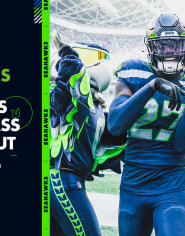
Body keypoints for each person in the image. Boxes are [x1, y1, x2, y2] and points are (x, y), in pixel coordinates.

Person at [107, 13, 185, 236]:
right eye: (163, 46)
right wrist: (152, 86)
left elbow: (183, 144)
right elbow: (115, 125)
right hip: (134, 180)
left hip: (172, 182)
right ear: (151, 48)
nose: (171, 52)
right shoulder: (134, 73)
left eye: (176, 45)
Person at [49, 33, 126, 236]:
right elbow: (62, 93)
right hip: (62, 181)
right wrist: (68, 54)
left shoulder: (95, 106)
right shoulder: (64, 94)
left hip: (63, 181)